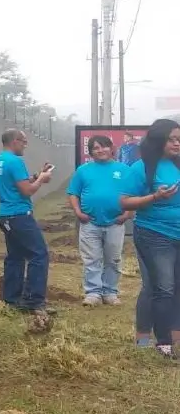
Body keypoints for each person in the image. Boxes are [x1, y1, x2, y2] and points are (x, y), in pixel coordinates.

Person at [119, 118, 180, 359]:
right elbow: (124, 201)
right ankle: (159, 341)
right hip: (154, 234)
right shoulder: (142, 167)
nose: (177, 143)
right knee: (162, 288)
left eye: (179, 139)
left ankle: (174, 336)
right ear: (159, 140)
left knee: (176, 288)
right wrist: (155, 197)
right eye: (172, 139)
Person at [0, 129, 54, 314]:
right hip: (19, 215)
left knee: (15, 257)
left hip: (5, 216)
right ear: (15, 141)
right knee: (39, 254)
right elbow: (27, 191)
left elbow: (18, 183)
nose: (25, 146)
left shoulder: (0, 160)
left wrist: (36, 176)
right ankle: (34, 301)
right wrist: (42, 180)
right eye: (24, 142)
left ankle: (12, 299)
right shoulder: (15, 161)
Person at [67, 135, 133, 306]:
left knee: (113, 259)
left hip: (115, 223)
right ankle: (93, 293)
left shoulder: (124, 170)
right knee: (92, 259)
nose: (100, 150)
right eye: (95, 148)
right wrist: (78, 212)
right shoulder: (83, 170)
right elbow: (73, 193)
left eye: (103, 146)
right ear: (90, 152)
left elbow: (134, 194)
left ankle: (110, 292)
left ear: (111, 148)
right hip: (89, 223)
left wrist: (127, 214)